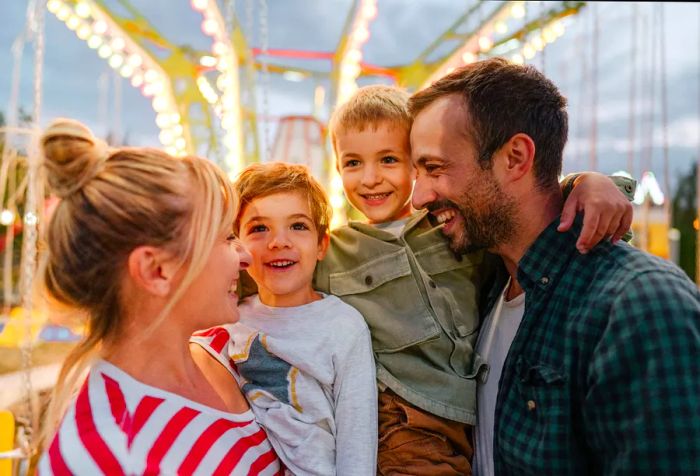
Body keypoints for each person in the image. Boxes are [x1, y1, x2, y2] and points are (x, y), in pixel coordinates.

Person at [313, 85, 636, 475]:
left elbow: (527, 211)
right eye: (352, 163)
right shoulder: (335, 251)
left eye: (388, 160)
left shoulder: (453, 227)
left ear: (416, 164)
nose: (370, 179)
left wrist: (588, 183)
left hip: (472, 411)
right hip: (405, 418)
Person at [409, 57, 700, 475]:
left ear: (515, 158)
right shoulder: (485, 280)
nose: (418, 197)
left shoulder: (640, 304)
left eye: (434, 168)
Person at [36, 119, 281, 475]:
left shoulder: (230, 351)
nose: (245, 257)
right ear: (156, 271)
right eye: (225, 238)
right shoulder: (99, 455)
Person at [199, 162, 376, 475]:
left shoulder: (343, 326)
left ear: (322, 245)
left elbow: (357, 435)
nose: (278, 241)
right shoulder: (229, 319)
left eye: (297, 226)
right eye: (259, 228)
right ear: (237, 244)